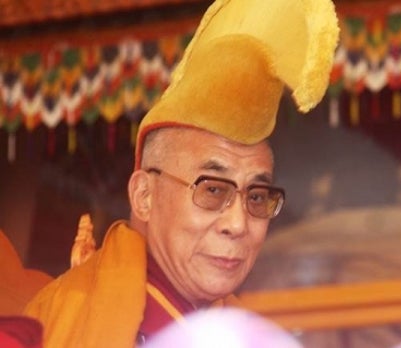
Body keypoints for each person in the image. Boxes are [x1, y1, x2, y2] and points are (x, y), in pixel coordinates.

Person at [22, 0, 339, 347]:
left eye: (257, 197)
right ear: (144, 196)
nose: (237, 224)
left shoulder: (248, 338)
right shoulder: (68, 318)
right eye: (213, 191)